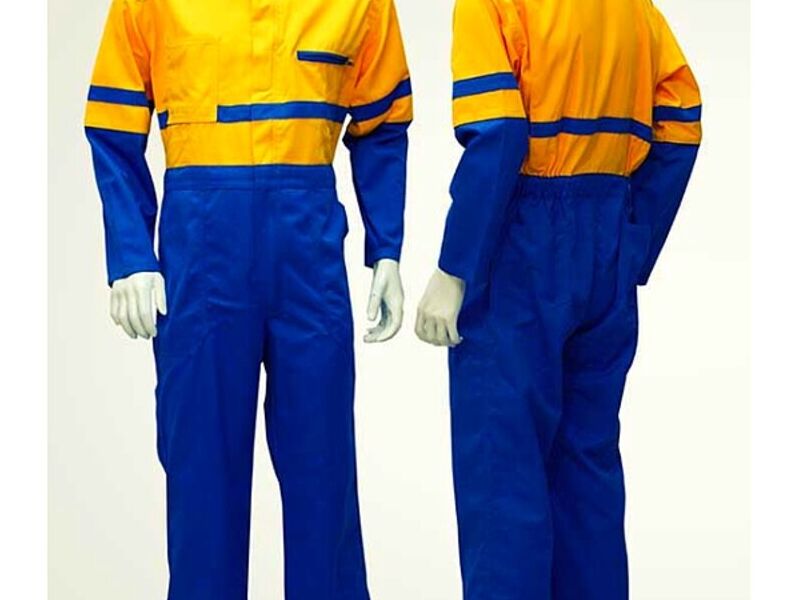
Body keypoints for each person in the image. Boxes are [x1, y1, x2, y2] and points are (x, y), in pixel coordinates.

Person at [84, 0, 412, 598]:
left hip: (308, 255)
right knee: (201, 479)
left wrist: (386, 246)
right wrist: (130, 253)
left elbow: (384, 122)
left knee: (324, 476)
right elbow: (112, 125)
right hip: (201, 254)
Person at [416, 0, 702, 598]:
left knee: (503, 478)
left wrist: (455, 268)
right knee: (587, 476)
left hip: (519, 244)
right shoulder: (634, 10)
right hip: (605, 241)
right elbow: (682, 113)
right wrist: (633, 237)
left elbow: (499, 131)